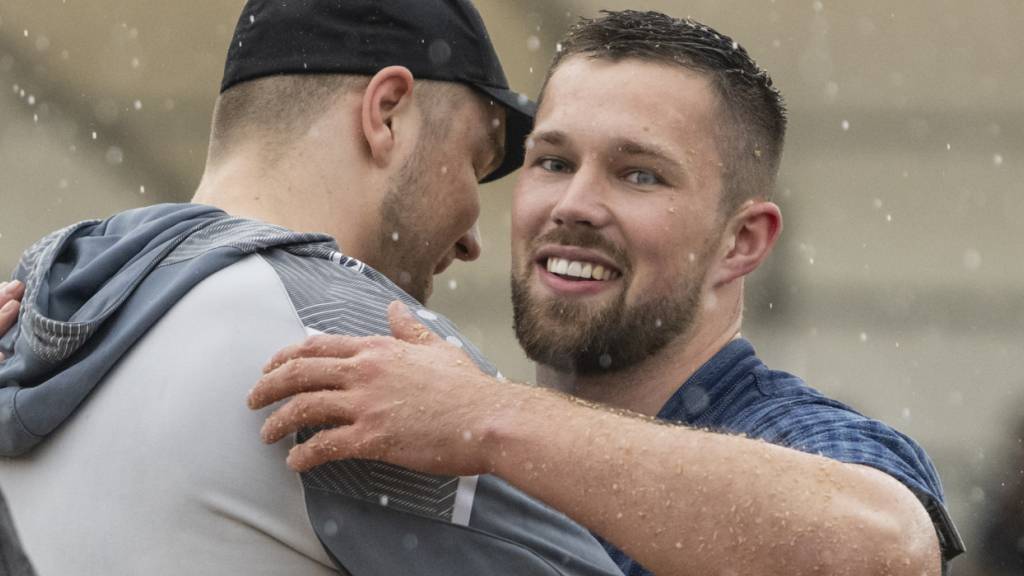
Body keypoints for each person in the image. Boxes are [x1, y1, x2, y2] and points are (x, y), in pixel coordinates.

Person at [248, 10, 967, 576]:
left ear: (741, 242)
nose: (575, 205)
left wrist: (488, 417)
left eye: (640, 174)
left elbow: (884, 553)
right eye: (554, 162)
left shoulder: (794, 438)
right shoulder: (460, 450)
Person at [0, 2, 624, 575]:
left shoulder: (37, 314)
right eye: (475, 163)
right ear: (386, 113)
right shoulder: (345, 346)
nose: (472, 242)